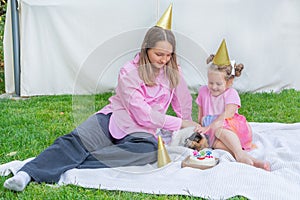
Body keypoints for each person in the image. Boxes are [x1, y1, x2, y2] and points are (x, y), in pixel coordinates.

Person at [4, 4, 200, 192]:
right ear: (146, 49)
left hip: (142, 134)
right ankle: (27, 173)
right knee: (75, 140)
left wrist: (187, 128)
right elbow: (142, 113)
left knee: (147, 151)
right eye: (159, 54)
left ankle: (62, 161)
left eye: (168, 55)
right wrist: (179, 122)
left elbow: (182, 101)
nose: (164, 60)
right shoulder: (129, 72)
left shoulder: (173, 71)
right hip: (113, 119)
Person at [194, 39, 270, 171]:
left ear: (229, 82)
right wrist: (201, 127)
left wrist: (211, 126)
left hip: (231, 128)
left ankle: (239, 154)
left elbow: (227, 114)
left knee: (219, 129)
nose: (213, 87)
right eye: (211, 82)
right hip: (213, 132)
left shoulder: (231, 93)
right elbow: (200, 113)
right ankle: (252, 160)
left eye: (218, 84)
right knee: (214, 144)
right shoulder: (203, 91)